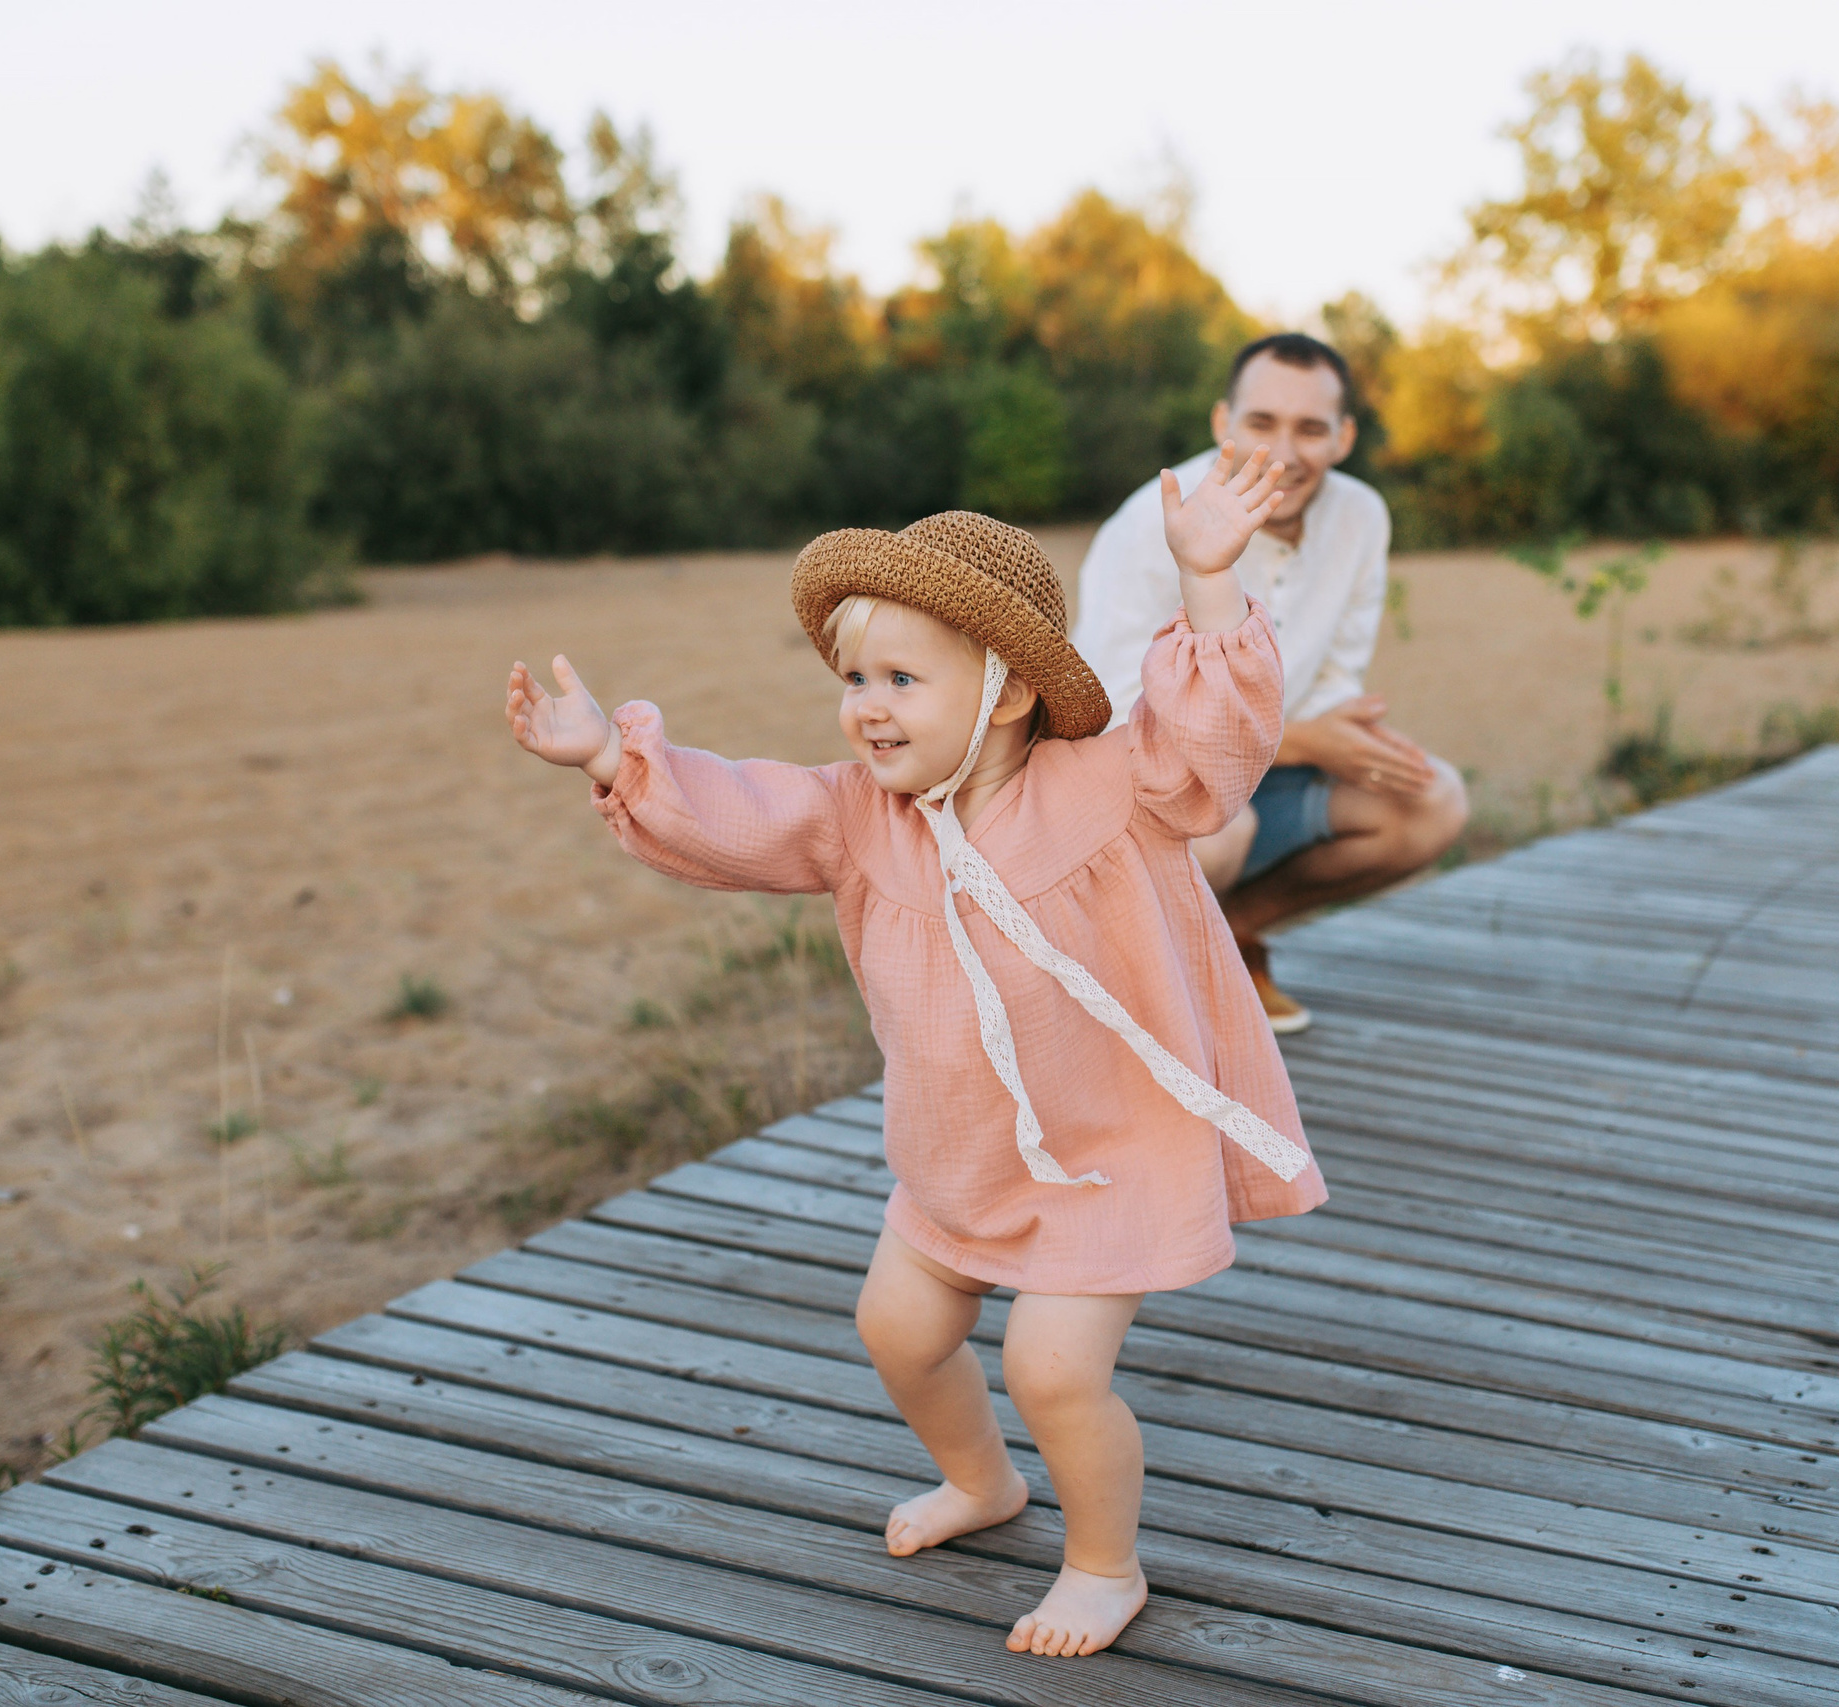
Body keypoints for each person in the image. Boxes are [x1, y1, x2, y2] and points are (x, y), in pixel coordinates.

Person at [503, 449, 1325, 1659]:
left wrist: (1207, 579)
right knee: (897, 1331)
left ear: (1005, 689)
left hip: (1109, 1154)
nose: (866, 706)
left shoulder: (1112, 785)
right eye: (853, 678)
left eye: (900, 678)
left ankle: (1104, 1566)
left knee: (1053, 1371)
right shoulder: (856, 816)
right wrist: (606, 759)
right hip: (957, 1156)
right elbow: (735, 815)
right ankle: (983, 1482)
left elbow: (1216, 745)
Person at [1073, 333, 1467, 1034]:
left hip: (1266, 770)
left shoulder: (1361, 516)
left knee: (1433, 799)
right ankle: (1137, 993)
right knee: (1224, 831)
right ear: (1223, 421)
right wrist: (1304, 741)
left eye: (1311, 428)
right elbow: (1113, 712)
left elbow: (1336, 672)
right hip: (1144, 784)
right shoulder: (1149, 522)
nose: (1285, 452)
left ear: (1344, 437)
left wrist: (1348, 735)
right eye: (1262, 422)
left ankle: (1230, 939)